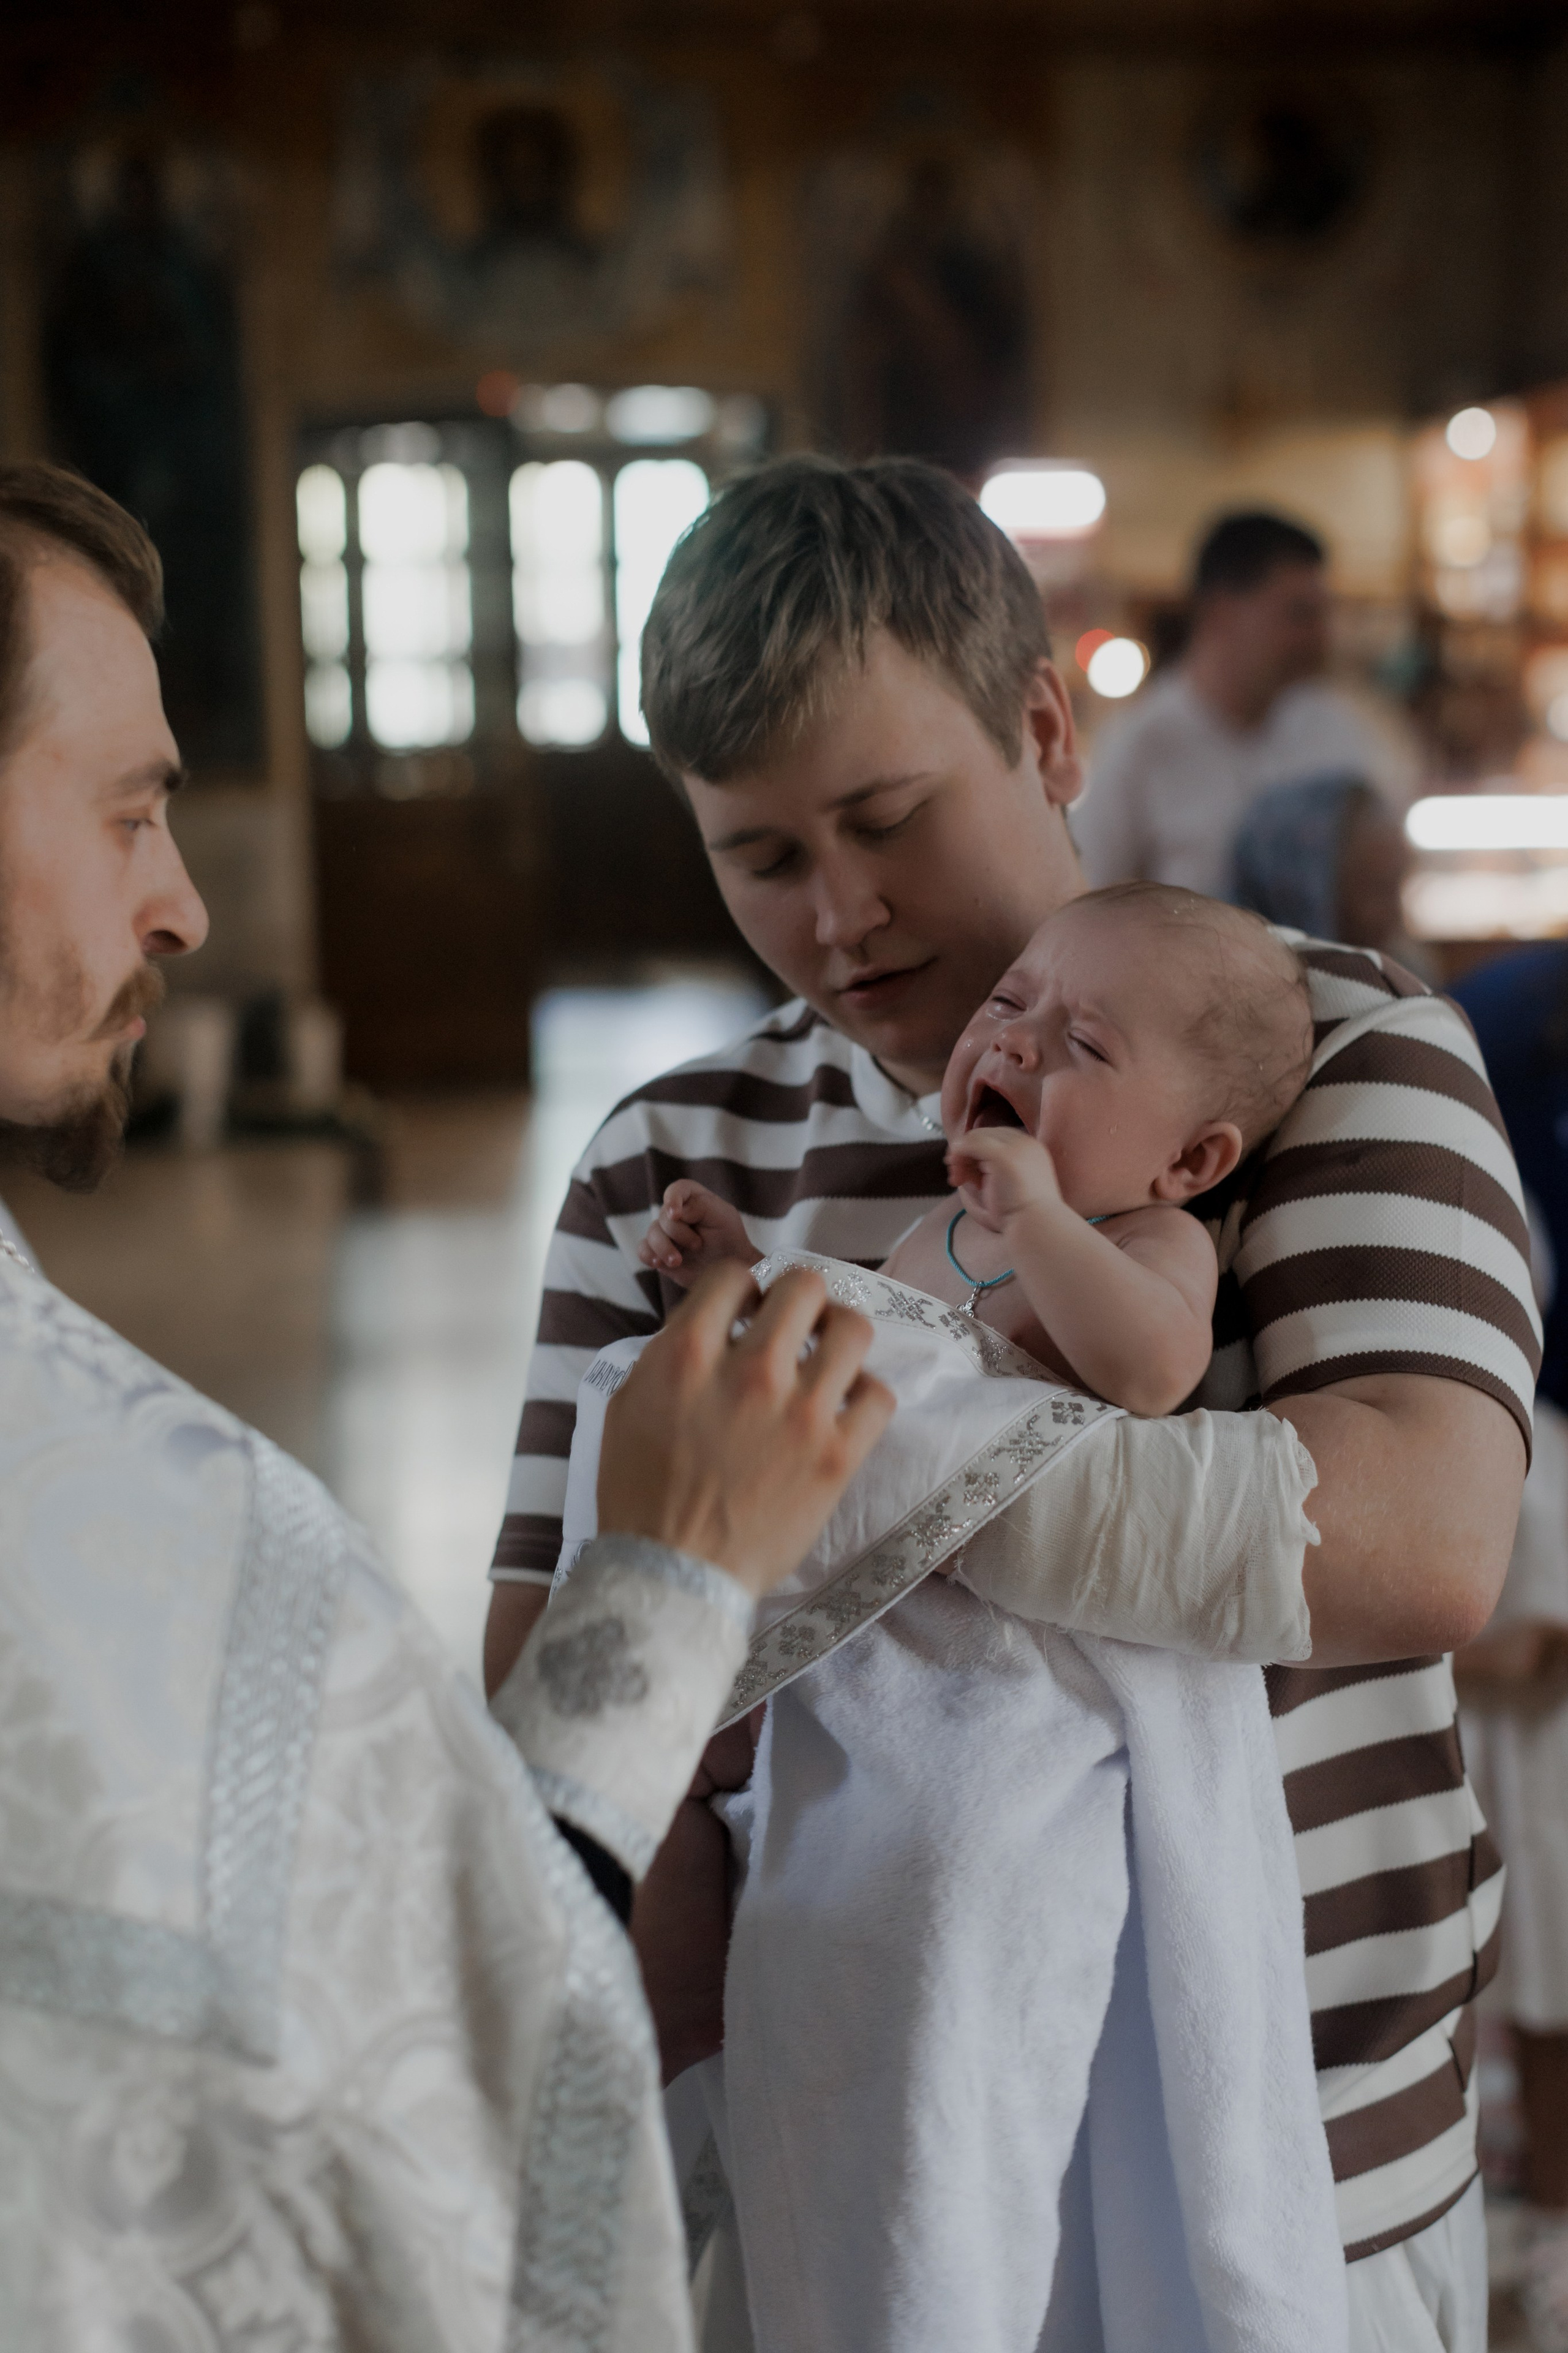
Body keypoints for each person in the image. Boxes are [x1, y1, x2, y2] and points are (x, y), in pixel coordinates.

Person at [483, 456, 1535, 2349]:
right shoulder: (672, 1156)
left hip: (1304, 2147)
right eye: (762, 857)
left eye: (887, 817)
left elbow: (1415, 1542)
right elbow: (566, 1660)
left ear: (1042, 724)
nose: (843, 915)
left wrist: (834, 1464)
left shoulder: (1330, 1054)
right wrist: (682, 2119)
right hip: (848, 2138)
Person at [0, 459, 895, 2348]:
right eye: (130, 810)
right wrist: (668, 1570)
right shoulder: (139, 1534)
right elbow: (471, 2091)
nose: (177, 905)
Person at [621, 883, 1337, 2352]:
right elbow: (857, 1397)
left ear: (1189, 1155)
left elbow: (1143, 1373)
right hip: (848, 1658)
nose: (1012, 1039)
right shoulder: (930, 1229)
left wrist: (1044, 1221)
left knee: (930, 1905)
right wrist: (737, 1286)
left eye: (1079, 1040)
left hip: (1001, 1682)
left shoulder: (1147, 1238)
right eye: (1008, 1002)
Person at [1074, 508, 1404, 899]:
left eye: (1322, 615)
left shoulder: (1336, 730)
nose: (1320, 637)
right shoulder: (1140, 748)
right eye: (1299, 615)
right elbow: (1093, 904)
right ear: (1222, 614)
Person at [1231, 768, 1418, 959]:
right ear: (1300, 892)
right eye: (1376, 891)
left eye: (1397, 886)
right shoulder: (1227, 975)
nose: (1397, 918)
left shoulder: (1405, 975)